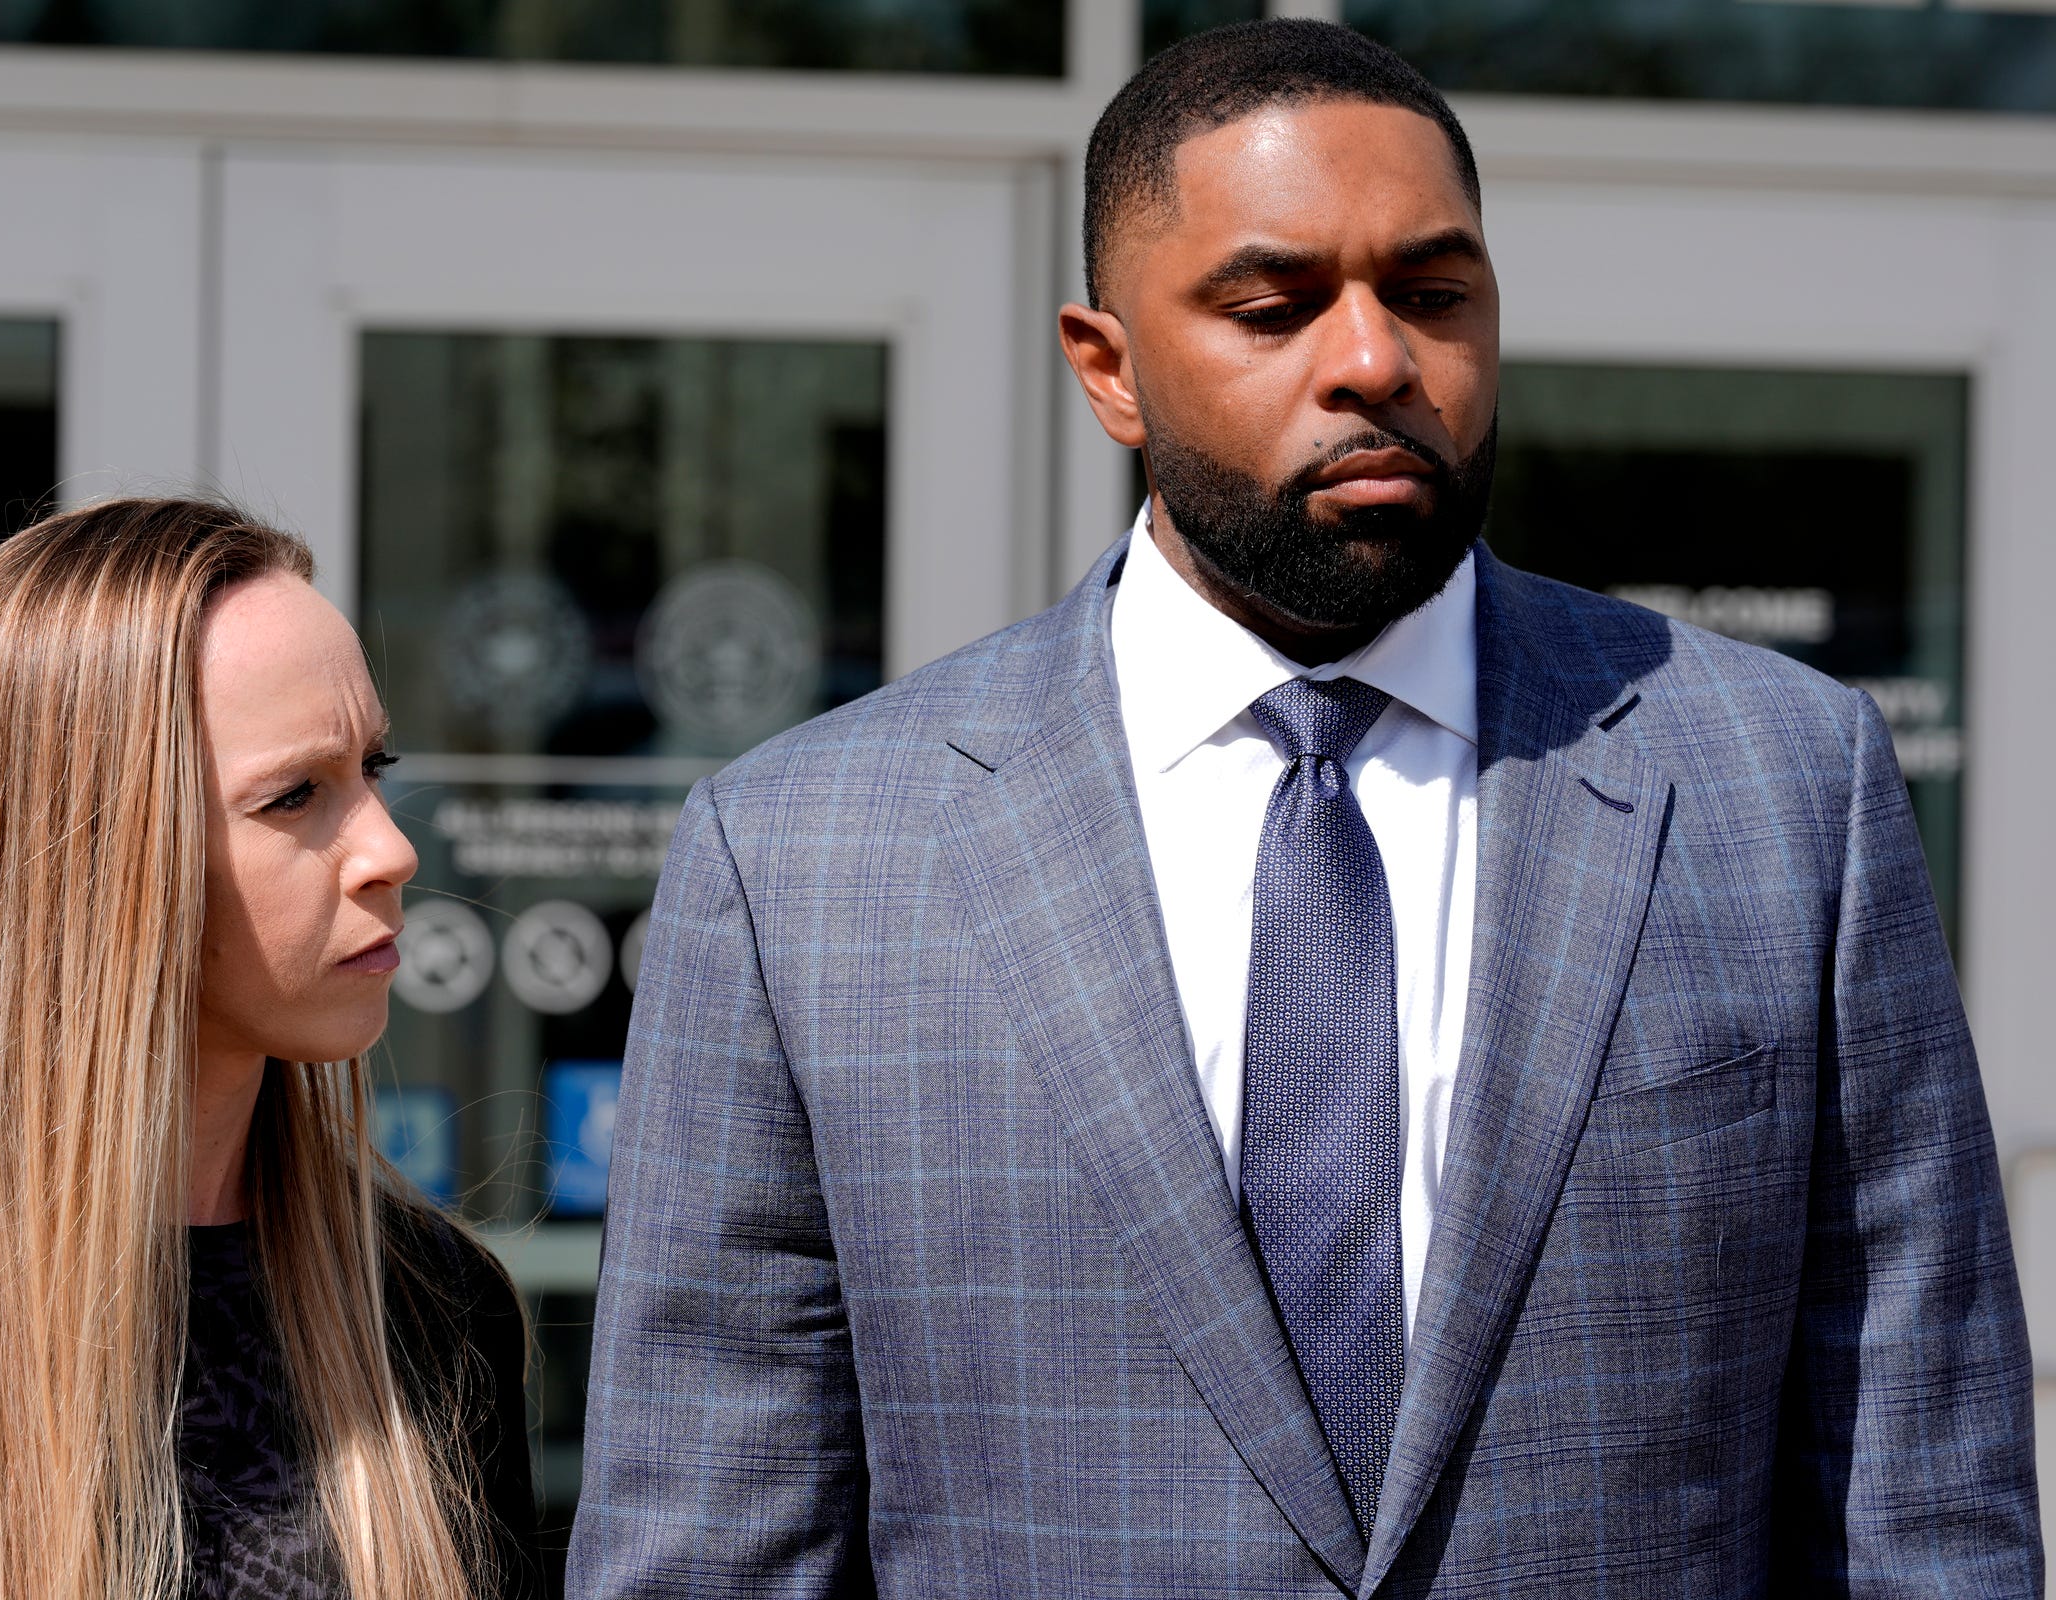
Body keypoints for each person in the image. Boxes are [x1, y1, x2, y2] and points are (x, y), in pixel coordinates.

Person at [569, 19, 2039, 1597]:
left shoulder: (1777, 783)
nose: (1373, 361)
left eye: (1433, 293)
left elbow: (1920, 1500)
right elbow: (711, 1544)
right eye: (1273, 307)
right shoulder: (803, 859)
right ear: (1109, 366)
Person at [0, 499, 538, 1600]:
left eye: (376, 765)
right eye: (296, 794)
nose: (391, 850)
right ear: (85, 851)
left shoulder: (430, 1303)